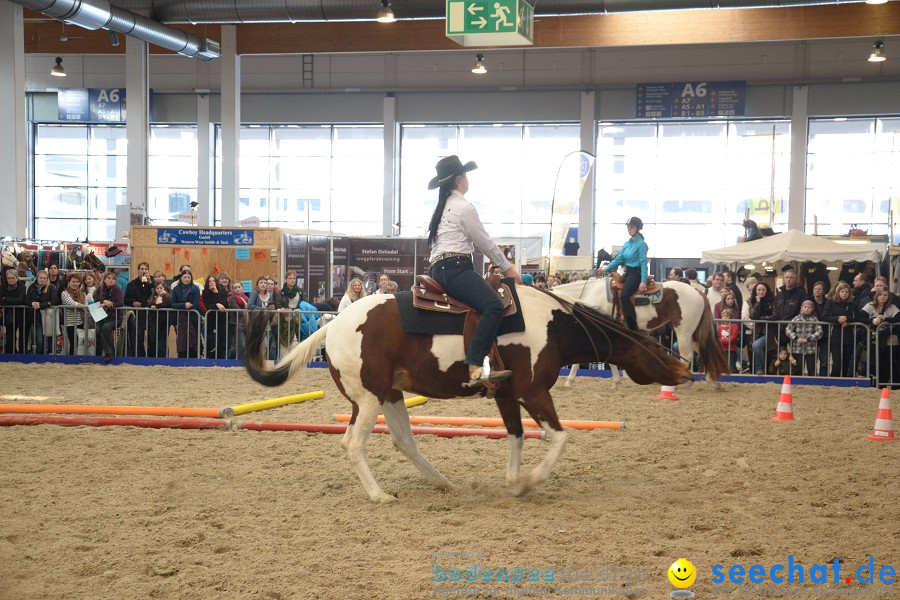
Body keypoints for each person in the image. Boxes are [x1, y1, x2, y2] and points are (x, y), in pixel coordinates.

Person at [426, 155, 522, 387]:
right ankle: (476, 365)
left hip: (438, 269)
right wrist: (508, 269)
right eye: (465, 176)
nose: (468, 180)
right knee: (493, 306)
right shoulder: (464, 208)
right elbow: (484, 242)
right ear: (459, 179)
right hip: (456, 268)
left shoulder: (441, 209)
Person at [599, 216, 648, 332]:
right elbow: (619, 258)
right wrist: (606, 269)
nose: (629, 229)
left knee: (624, 296)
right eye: (628, 227)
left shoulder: (641, 244)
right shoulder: (627, 243)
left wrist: (643, 281)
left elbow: (644, 263)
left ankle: (636, 323)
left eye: (632, 227)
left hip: (636, 273)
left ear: (638, 228)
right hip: (627, 273)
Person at [823, 281, 862, 378]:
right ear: (838, 292)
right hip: (836, 336)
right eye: (842, 292)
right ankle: (834, 379)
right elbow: (825, 316)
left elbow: (857, 317)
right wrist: (837, 319)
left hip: (848, 336)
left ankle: (844, 380)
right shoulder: (831, 302)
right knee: (837, 362)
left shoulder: (852, 304)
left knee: (846, 361)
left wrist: (847, 320)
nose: (844, 294)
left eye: (846, 292)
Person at [785, 300, 823, 376]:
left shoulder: (815, 319)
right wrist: (796, 338)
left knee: (811, 369)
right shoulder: (796, 318)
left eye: (809, 307)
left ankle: (812, 383)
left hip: (811, 349)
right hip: (797, 349)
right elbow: (788, 329)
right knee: (798, 369)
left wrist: (808, 339)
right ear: (801, 308)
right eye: (805, 307)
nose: (807, 309)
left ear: (812, 309)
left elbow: (820, 332)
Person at [25, 269, 59, 354]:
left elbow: (54, 301)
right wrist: (32, 303)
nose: (42, 280)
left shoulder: (51, 287)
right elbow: (26, 299)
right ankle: (40, 357)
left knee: (50, 338)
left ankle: (50, 356)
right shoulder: (32, 287)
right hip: (36, 317)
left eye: (44, 278)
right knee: (39, 340)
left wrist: (41, 305)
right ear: (37, 278)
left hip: (48, 317)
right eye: (41, 278)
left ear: (47, 279)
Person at [124, 262, 153, 357]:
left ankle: (151, 358)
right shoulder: (131, 284)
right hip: (137, 314)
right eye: (142, 269)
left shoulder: (151, 284)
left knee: (151, 338)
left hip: (150, 315)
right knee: (138, 337)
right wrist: (133, 302)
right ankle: (140, 357)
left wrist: (151, 284)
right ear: (138, 270)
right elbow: (126, 299)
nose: (144, 271)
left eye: (146, 269)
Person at [94, 271, 124, 362]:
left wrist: (110, 304)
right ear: (105, 280)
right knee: (100, 330)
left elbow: (120, 303)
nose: (111, 280)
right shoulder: (100, 289)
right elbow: (96, 299)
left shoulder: (117, 289)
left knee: (106, 327)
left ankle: (109, 352)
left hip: (116, 317)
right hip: (101, 314)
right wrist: (104, 302)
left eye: (113, 279)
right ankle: (105, 352)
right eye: (109, 278)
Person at [170, 270, 201, 359]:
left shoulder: (195, 288)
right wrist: (184, 305)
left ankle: (193, 358)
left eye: (189, 277)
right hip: (181, 318)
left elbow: (196, 304)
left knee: (193, 339)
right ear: (181, 278)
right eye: (184, 277)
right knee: (182, 340)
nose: (187, 279)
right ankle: (182, 358)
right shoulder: (176, 289)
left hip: (193, 318)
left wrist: (189, 306)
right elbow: (173, 304)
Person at [749, 282, 776, 374]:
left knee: (756, 345)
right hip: (757, 332)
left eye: (763, 289)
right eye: (759, 290)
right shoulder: (752, 301)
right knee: (756, 346)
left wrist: (760, 319)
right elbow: (753, 316)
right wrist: (758, 303)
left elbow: (775, 316)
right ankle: (760, 369)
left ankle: (760, 368)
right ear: (755, 291)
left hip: (770, 332)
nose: (761, 292)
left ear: (767, 290)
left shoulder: (773, 301)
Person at [200, 274, 228, 359]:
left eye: (213, 281)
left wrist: (216, 293)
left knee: (221, 340)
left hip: (221, 319)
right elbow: (208, 306)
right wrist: (217, 304)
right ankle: (209, 358)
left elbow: (224, 304)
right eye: (210, 281)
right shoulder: (205, 292)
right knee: (210, 340)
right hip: (211, 319)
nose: (212, 283)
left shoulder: (222, 290)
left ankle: (221, 359)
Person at [59, 272, 87, 355]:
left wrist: (84, 307)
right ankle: (72, 359)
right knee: (73, 342)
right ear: (69, 282)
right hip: (69, 323)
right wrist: (84, 306)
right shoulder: (64, 293)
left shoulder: (83, 294)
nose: (75, 284)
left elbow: (86, 305)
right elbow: (72, 303)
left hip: (81, 321)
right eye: (73, 281)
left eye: (77, 282)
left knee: (79, 343)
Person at [1, 269, 27, 354]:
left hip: (21, 315)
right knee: (10, 337)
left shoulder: (22, 287)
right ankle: (10, 354)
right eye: (9, 278)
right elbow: (1, 300)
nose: (11, 280)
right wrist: (10, 300)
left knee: (22, 337)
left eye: (13, 278)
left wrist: (6, 299)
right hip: (9, 316)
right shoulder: (3, 287)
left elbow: (21, 300)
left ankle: (22, 355)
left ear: (17, 278)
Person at [147, 281, 172, 359]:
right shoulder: (151, 298)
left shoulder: (168, 298)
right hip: (153, 323)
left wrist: (160, 296)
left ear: (164, 288)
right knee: (152, 342)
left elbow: (160, 305)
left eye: (161, 288)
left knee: (162, 343)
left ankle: (163, 360)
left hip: (163, 323)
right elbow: (149, 305)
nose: (159, 290)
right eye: (157, 288)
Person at [227, 281, 250, 359]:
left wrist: (247, 308)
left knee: (242, 345)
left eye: (239, 287)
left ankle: (230, 358)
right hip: (236, 324)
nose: (237, 289)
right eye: (235, 288)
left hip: (246, 324)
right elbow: (237, 310)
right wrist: (246, 308)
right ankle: (238, 360)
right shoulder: (232, 298)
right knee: (241, 344)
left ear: (242, 288)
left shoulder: (246, 298)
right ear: (233, 290)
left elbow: (250, 307)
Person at [717, 307, 739, 373]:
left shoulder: (734, 326)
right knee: (721, 367)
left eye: (727, 316)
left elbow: (733, 338)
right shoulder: (719, 327)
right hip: (721, 350)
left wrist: (723, 340)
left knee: (732, 367)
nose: (725, 318)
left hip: (731, 350)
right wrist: (726, 340)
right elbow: (717, 338)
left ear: (730, 317)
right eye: (723, 316)